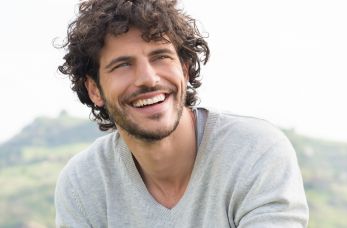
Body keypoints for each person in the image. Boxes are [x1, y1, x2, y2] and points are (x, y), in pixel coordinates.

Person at [54, 0, 309, 227]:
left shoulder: (254, 152)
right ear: (94, 89)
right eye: (123, 65)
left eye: (160, 57)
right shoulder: (82, 184)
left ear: (185, 70)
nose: (148, 79)